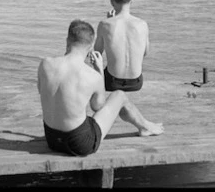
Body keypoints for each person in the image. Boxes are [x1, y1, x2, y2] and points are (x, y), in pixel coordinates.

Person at [37, 19, 163, 157]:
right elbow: (98, 106)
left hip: (52, 139)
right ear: (91, 46)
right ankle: (144, 127)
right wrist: (99, 71)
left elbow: (43, 92)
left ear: (67, 40)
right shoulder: (91, 76)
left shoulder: (45, 64)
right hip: (79, 144)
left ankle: (144, 126)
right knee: (119, 96)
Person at [94, 0, 148, 93]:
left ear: (112, 2)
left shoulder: (105, 24)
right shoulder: (142, 24)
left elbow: (97, 52)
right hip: (136, 83)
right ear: (131, 0)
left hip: (112, 83)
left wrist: (109, 20)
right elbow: (145, 52)